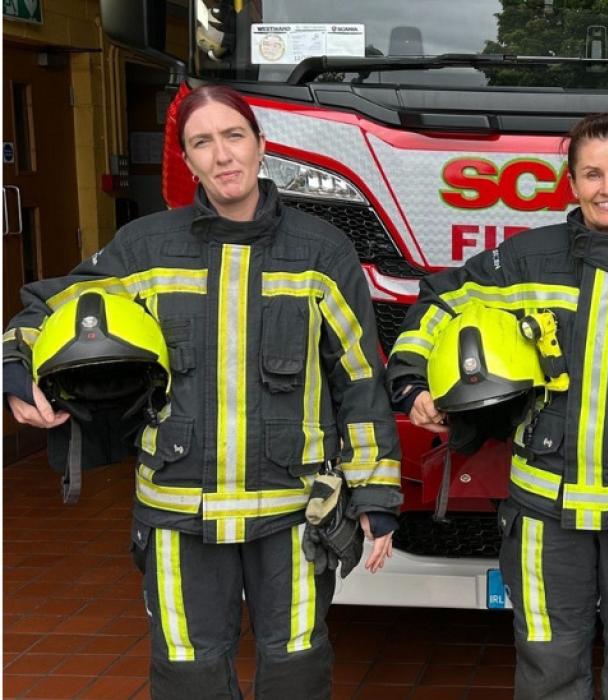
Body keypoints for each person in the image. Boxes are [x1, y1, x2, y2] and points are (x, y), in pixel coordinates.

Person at [2, 84, 403, 699]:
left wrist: (376, 493)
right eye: (202, 143)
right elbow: (48, 311)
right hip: (177, 512)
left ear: (261, 145)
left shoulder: (322, 251)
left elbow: (359, 380)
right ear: (186, 162)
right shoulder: (144, 248)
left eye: (234, 135)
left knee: (297, 671)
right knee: (188, 674)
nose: (222, 155)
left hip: (292, 515)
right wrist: (14, 367)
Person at [387, 111, 608, 699]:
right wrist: (413, 381)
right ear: (572, 183)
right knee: (549, 664)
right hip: (545, 509)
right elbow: (442, 303)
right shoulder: (525, 259)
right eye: (593, 174)